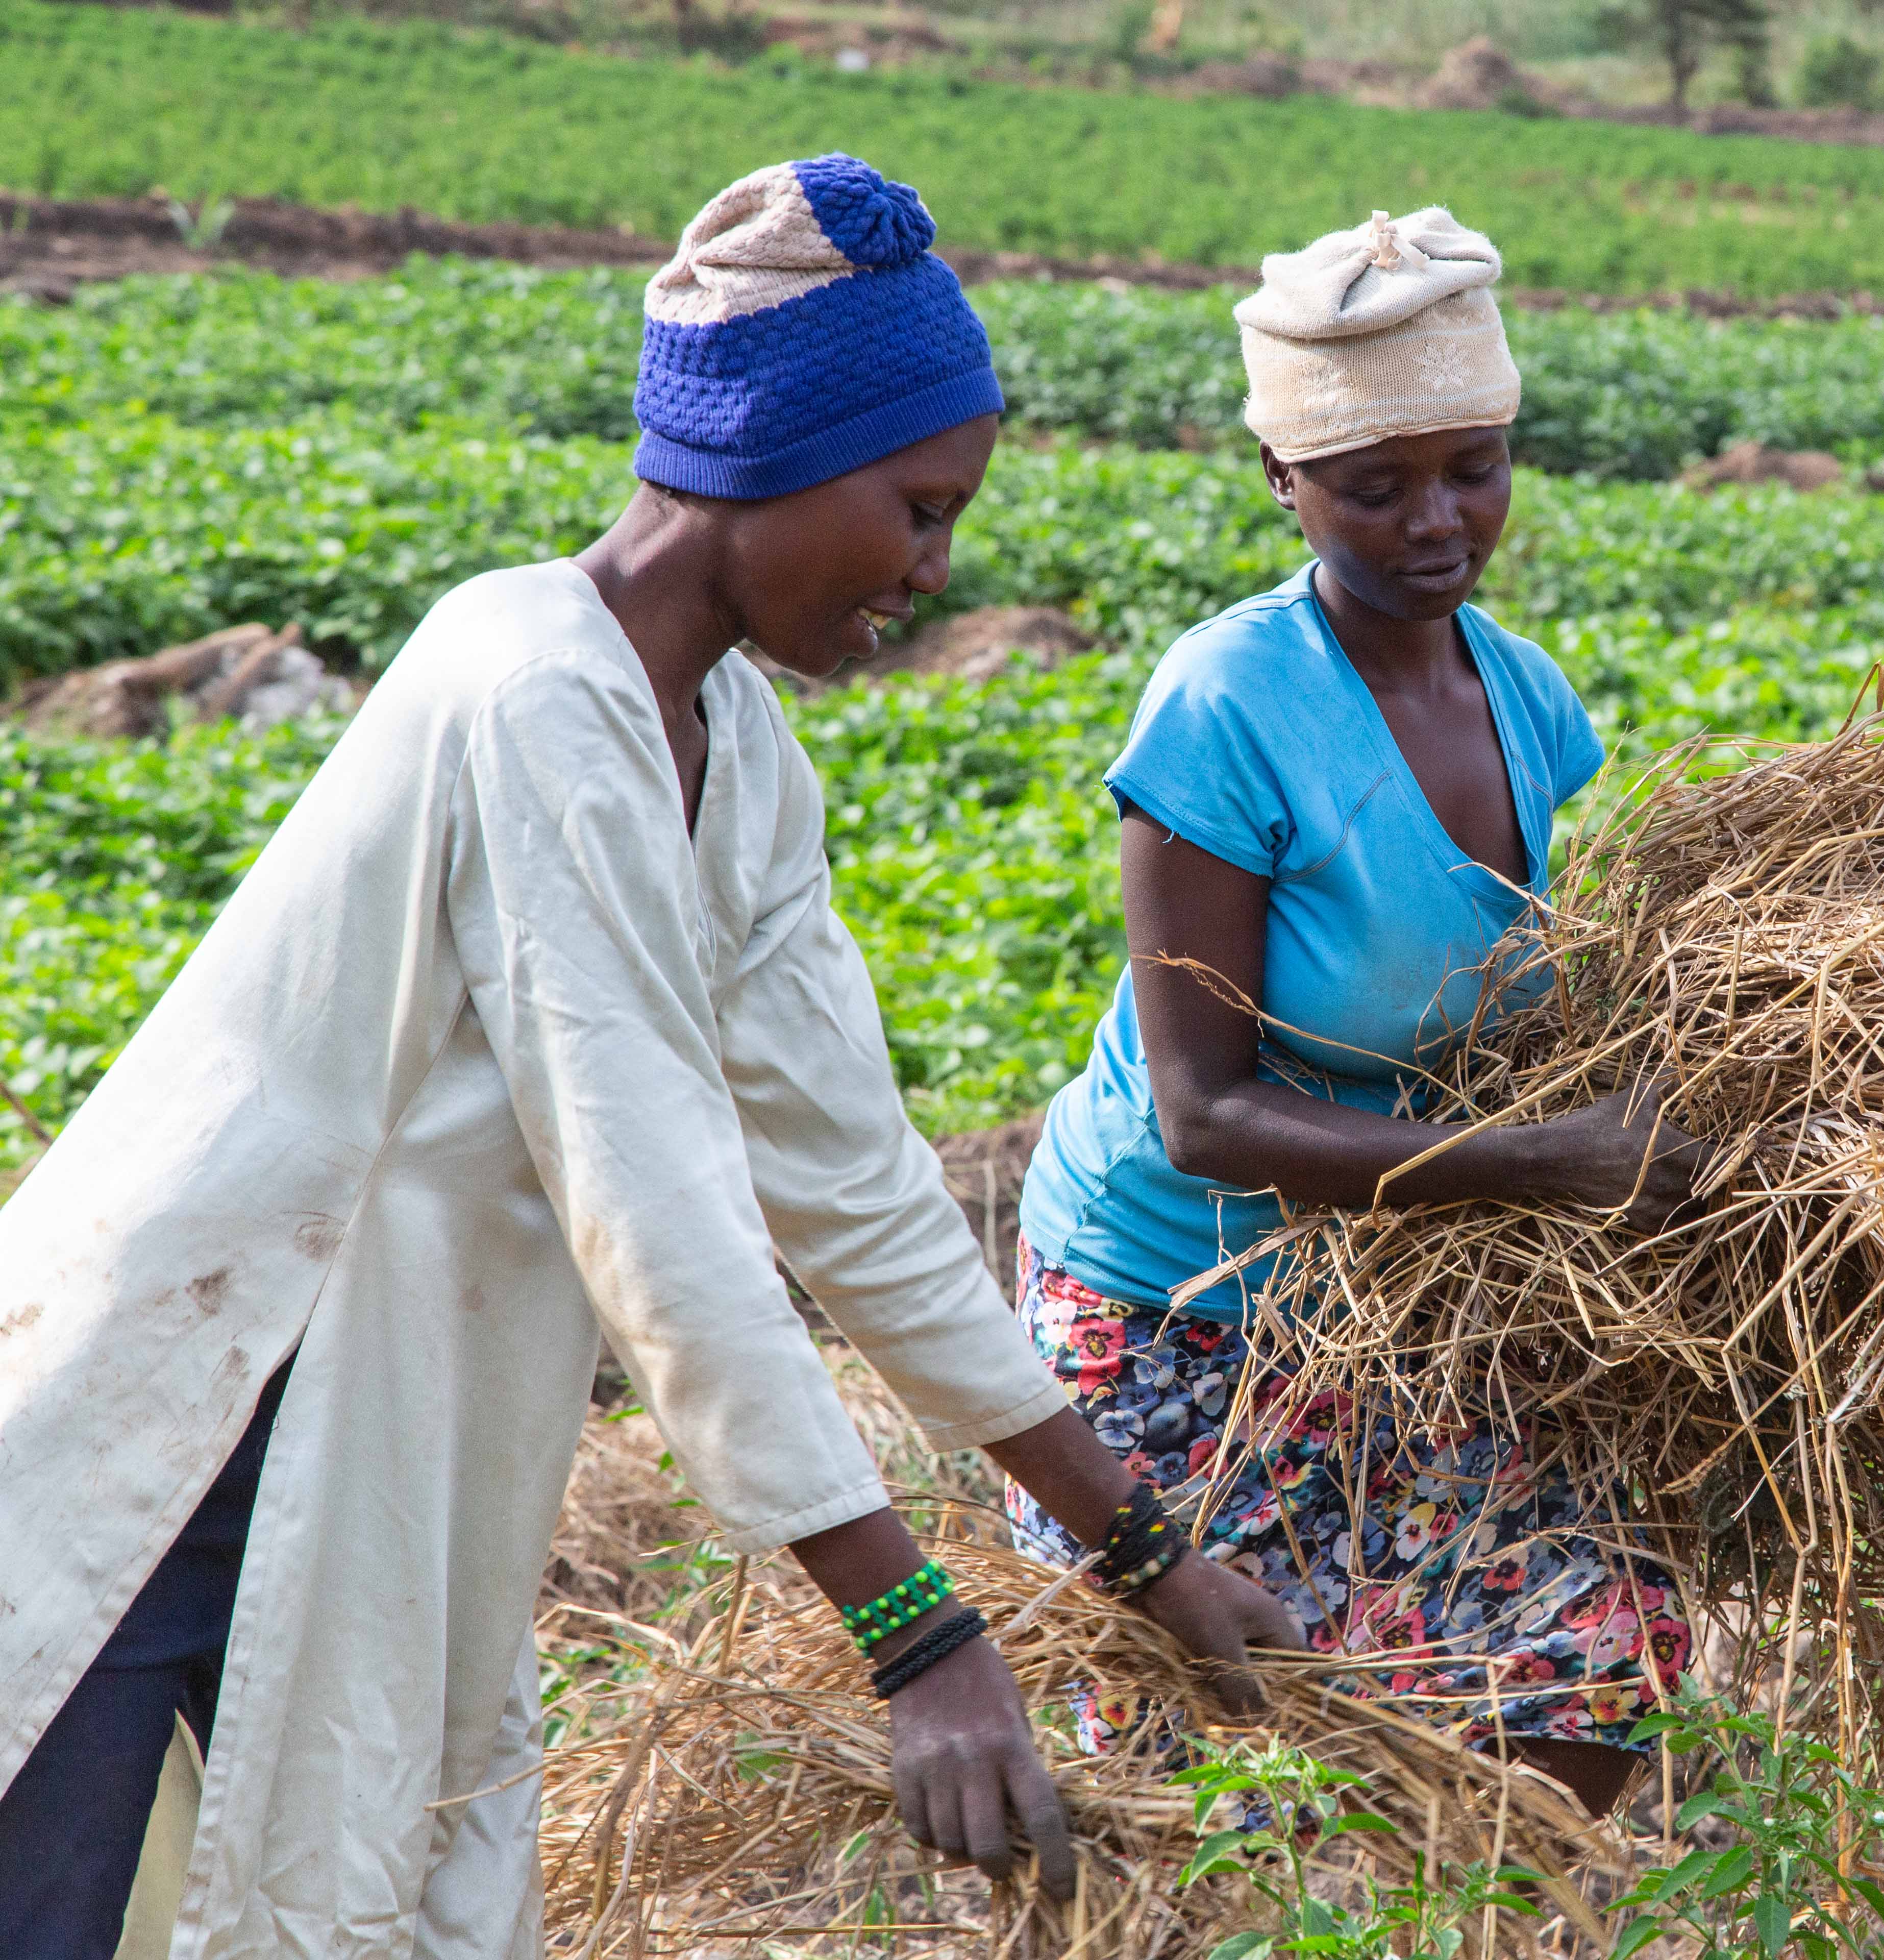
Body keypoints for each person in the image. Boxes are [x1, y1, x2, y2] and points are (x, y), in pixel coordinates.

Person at [0, 155, 1295, 1960]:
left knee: (358, 1890)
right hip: (190, 1420)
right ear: (770, 460)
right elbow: (652, 1199)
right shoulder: (533, 688)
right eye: (920, 510)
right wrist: (916, 1631)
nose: (936, 572)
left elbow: (854, 1184)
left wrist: (1140, 1548)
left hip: (388, 1431)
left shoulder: (738, 752)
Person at [1013, 208, 1700, 1820]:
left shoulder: (1528, 700)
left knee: (1601, 1645)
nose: (1437, 522)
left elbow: (1535, 1014)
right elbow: (1208, 1113)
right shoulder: (1226, 708)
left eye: (1473, 468)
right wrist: (1542, 1162)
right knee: (1211, 1778)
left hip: (1386, 1287)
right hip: (1178, 1310)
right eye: (1374, 487)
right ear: (1284, 483)